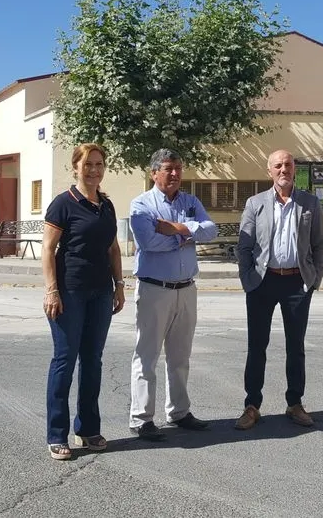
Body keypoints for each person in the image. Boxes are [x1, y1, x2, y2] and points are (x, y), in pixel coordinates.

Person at [42, 143, 126, 461]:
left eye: (99, 164)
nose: (93, 169)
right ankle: (56, 435)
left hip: (101, 292)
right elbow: (48, 249)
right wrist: (52, 290)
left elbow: (113, 249)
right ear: (75, 167)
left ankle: (88, 429)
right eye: (88, 164)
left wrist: (119, 285)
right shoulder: (63, 204)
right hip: (70, 292)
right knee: (64, 361)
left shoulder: (106, 205)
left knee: (93, 361)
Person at [128, 148, 218, 440]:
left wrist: (177, 229)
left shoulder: (190, 202)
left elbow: (211, 230)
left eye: (178, 168)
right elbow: (148, 241)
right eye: (168, 169)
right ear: (154, 172)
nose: (176, 174)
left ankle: (179, 412)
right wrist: (186, 238)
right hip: (155, 289)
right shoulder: (142, 204)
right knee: (147, 355)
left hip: (186, 288)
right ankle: (141, 418)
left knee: (180, 356)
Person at [234, 149, 323, 430]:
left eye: (288, 165)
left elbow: (320, 244)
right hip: (262, 282)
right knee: (257, 346)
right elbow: (244, 246)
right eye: (278, 165)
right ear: (269, 171)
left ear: (294, 169)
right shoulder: (255, 203)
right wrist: (247, 279)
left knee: (295, 347)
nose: (283, 169)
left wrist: (314, 280)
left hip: (297, 283)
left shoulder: (309, 203)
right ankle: (252, 406)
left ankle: (295, 403)